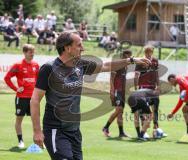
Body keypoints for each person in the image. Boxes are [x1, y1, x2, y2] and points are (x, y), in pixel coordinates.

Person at [30, 31, 150, 160]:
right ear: (67, 48)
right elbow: (35, 100)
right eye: (79, 45)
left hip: (74, 131)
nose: (83, 48)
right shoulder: (49, 68)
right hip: (56, 130)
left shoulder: (80, 65)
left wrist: (131, 60)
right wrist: (37, 131)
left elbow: (105, 66)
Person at [4, 44, 39, 149]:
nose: (32, 54)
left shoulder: (36, 65)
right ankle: (20, 141)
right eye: (30, 52)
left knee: (35, 120)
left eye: (33, 52)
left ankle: (38, 141)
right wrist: (16, 89)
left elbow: (38, 81)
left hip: (33, 98)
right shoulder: (17, 65)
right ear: (24, 53)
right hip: (22, 97)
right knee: (19, 119)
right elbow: (7, 78)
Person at [134, 45, 167, 138]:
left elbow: (156, 74)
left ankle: (156, 130)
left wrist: (158, 86)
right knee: (143, 110)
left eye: (150, 52)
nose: (148, 54)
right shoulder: (140, 61)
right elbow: (136, 75)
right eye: (146, 52)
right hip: (143, 89)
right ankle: (143, 131)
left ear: (152, 52)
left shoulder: (155, 61)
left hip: (153, 89)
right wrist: (136, 88)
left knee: (155, 109)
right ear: (144, 53)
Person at [102, 50, 132, 138]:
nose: (130, 58)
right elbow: (111, 77)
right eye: (129, 56)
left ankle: (121, 132)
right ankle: (105, 127)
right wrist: (111, 90)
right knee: (118, 109)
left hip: (122, 91)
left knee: (120, 112)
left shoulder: (126, 66)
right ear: (124, 56)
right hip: (116, 90)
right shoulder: (117, 65)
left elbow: (123, 79)